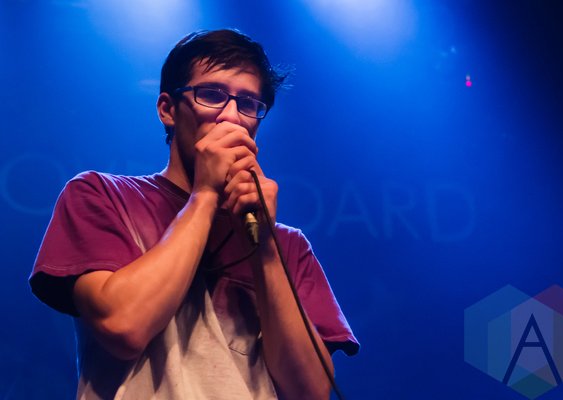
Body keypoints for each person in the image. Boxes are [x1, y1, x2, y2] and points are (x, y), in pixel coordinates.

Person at [30, 29, 359, 400]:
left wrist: (265, 251)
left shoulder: (286, 245)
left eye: (248, 103)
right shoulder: (101, 195)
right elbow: (123, 328)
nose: (232, 117)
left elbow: (310, 392)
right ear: (167, 109)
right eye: (212, 95)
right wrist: (205, 195)